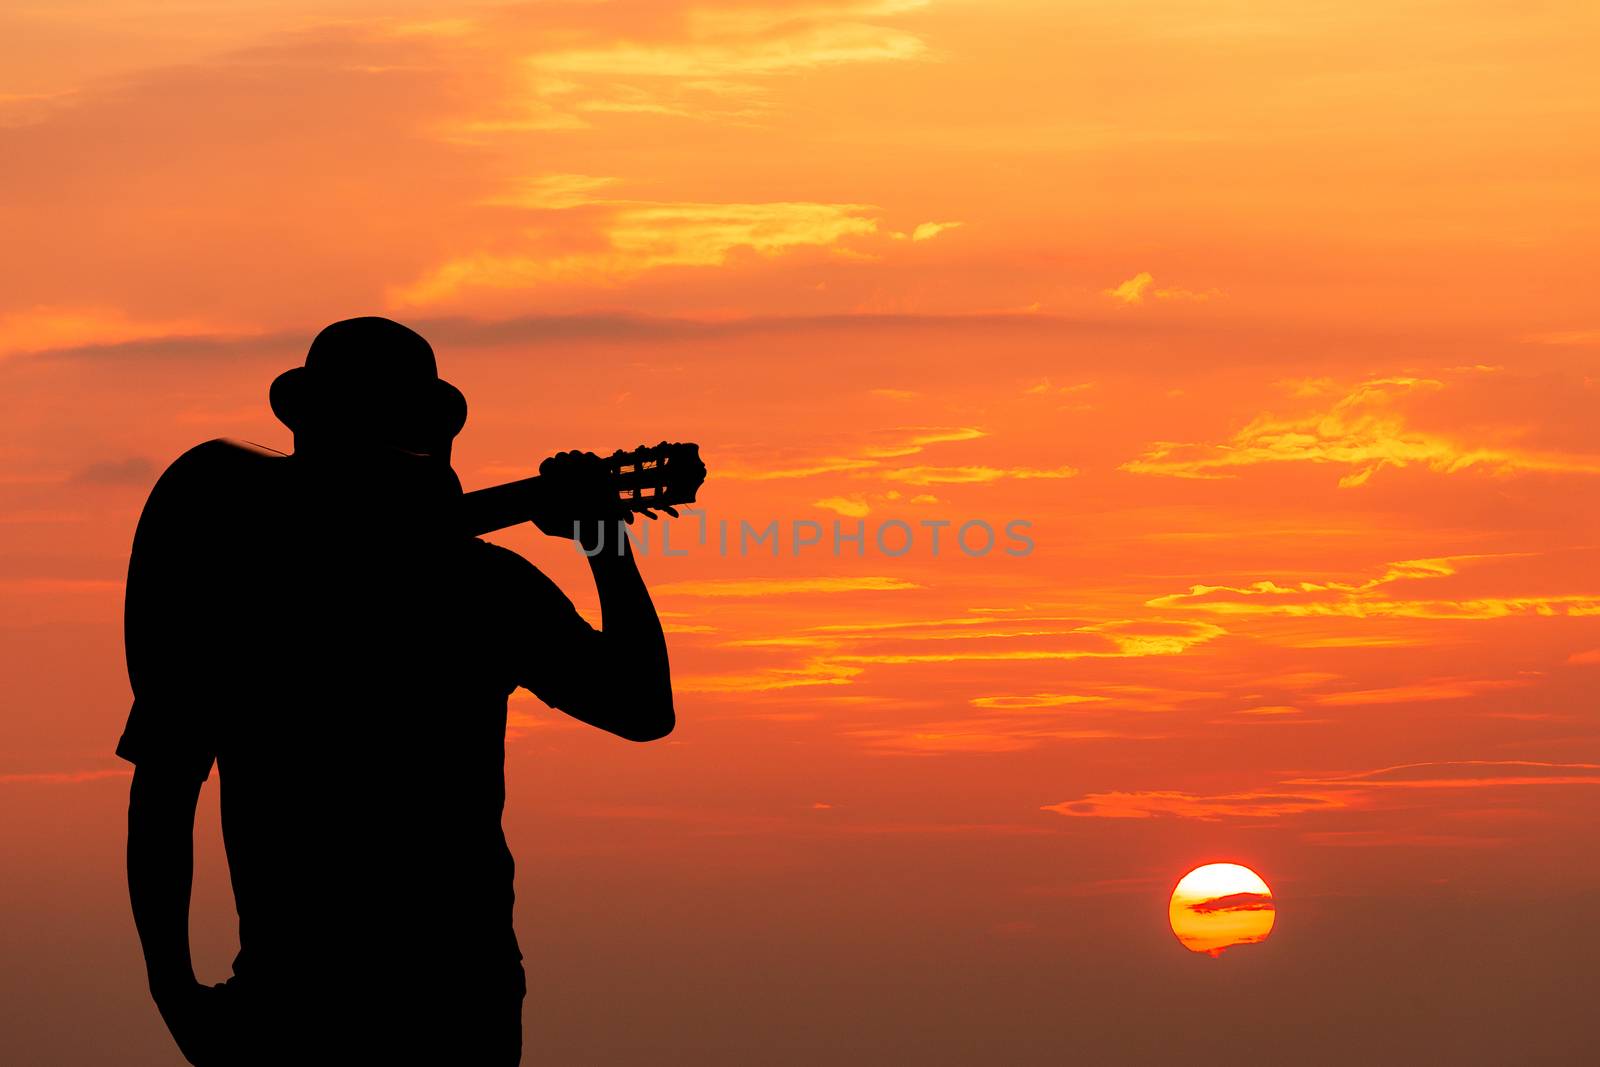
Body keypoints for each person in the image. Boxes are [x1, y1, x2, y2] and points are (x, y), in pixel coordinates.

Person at [120, 317, 676, 1065]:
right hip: (437, 997)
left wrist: (172, 986)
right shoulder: (478, 586)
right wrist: (603, 542)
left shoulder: (241, 586)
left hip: (322, 998)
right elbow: (641, 706)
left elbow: (163, 792)